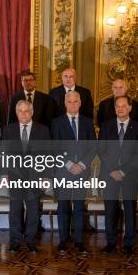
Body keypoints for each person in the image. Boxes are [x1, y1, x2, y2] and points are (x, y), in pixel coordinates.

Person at [1, 100, 51, 253]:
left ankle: (30, 240)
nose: (23, 114)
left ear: (32, 112)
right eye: (20, 111)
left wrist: (46, 177)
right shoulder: (8, 130)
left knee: (33, 209)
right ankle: (15, 240)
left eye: (26, 111)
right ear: (16, 113)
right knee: (15, 209)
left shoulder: (43, 130)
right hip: (14, 177)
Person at [50, 91, 96, 254]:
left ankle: (79, 241)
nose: (73, 104)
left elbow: (93, 147)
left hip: (82, 172)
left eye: (75, 101)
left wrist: (82, 165)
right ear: (65, 103)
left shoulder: (88, 122)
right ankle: (63, 241)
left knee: (78, 207)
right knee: (62, 207)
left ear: (80, 103)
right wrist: (69, 164)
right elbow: (55, 147)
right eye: (70, 101)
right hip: (63, 171)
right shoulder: (56, 123)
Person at [98, 95, 138, 255]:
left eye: (123, 106)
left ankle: (129, 244)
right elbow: (101, 151)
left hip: (129, 175)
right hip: (109, 174)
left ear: (130, 108)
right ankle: (111, 243)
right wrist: (113, 170)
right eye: (117, 106)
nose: (120, 108)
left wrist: (123, 171)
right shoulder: (106, 126)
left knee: (130, 210)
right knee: (110, 209)